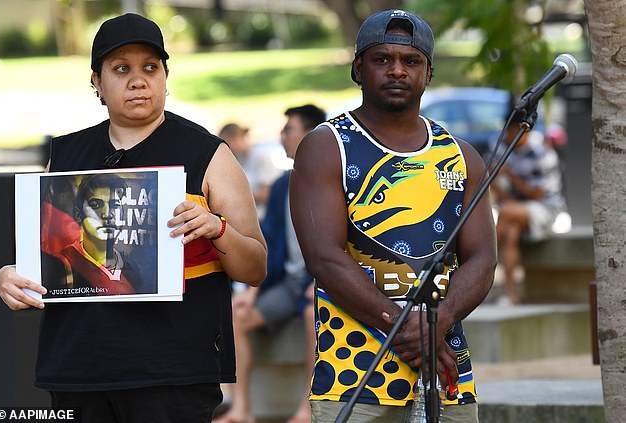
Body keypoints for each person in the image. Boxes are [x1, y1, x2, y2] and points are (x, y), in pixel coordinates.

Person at [0, 13, 266, 423]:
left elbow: (256, 266)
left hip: (173, 373)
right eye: (121, 69)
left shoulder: (208, 154)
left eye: (150, 68)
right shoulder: (67, 156)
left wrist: (217, 228)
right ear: (97, 82)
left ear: (164, 77)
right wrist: (8, 277)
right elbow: (38, 262)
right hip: (77, 368)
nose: (138, 80)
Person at [289, 9, 496, 422]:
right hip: (354, 379)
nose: (397, 70)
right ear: (357, 69)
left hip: (446, 376)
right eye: (382, 60)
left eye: (411, 61)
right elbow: (325, 258)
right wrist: (409, 330)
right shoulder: (326, 147)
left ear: (429, 72)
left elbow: (482, 259)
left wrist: (442, 321)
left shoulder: (461, 156)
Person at [214, 104, 326, 423]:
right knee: (237, 315)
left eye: (289, 129)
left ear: (311, 135)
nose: (282, 136)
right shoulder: (281, 186)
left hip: (321, 284)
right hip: (286, 284)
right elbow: (270, 242)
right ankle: (242, 410)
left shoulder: (333, 182)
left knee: (311, 316)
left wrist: (320, 284)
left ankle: (307, 409)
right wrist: (252, 288)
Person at [491, 110, 566, 305]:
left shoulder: (542, 152)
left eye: (511, 131)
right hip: (517, 211)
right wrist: (496, 180)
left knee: (507, 213)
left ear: (524, 131)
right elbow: (503, 194)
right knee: (511, 233)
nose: (507, 136)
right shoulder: (502, 149)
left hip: (545, 210)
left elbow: (537, 194)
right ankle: (510, 294)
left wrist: (509, 174)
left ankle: (485, 254)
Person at [40, 173, 149, 297]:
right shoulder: (63, 264)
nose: (107, 214)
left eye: (114, 205)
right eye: (96, 205)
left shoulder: (134, 270)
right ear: (77, 214)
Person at [218, 122, 283, 220]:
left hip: (264, 220)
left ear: (235, 139)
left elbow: (268, 193)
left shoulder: (260, 157)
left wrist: (235, 198)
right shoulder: (238, 159)